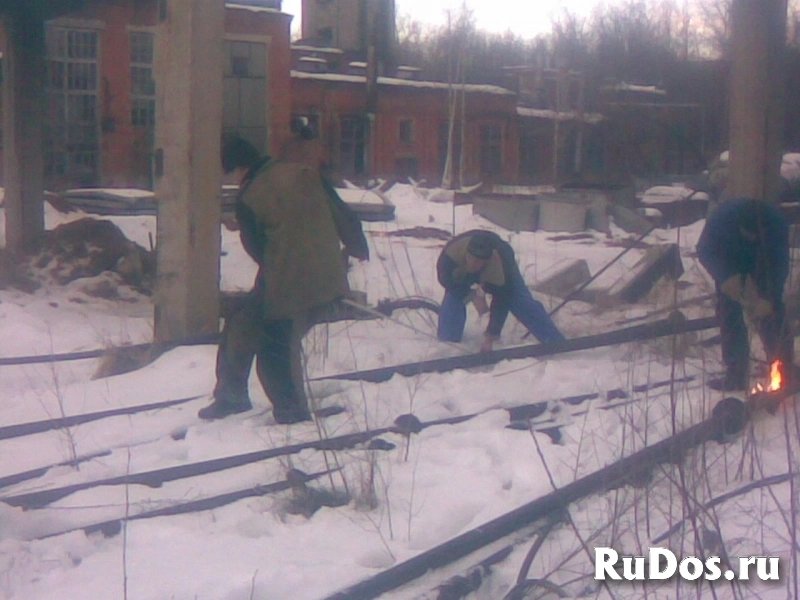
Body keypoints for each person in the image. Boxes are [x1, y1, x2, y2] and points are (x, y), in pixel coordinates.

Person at [198, 136, 368, 423]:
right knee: (242, 325)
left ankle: (293, 414)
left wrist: (280, 270)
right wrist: (356, 248)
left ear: (236, 169)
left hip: (288, 284)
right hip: (325, 277)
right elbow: (345, 216)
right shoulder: (304, 173)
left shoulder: (250, 196)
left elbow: (257, 249)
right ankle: (231, 397)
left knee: (274, 342)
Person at [697, 197, 794, 391]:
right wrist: (725, 277)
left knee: (773, 311)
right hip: (729, 259)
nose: (751, 238)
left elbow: (779, 264)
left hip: (763, 258)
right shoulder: (720, 220)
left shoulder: (776, 224)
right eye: (748, 234)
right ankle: (736, 373)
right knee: (728, 310)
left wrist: (768, 297)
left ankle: (785, 368)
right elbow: (705, 251)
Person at [436, 229, 565, 351]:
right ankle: (448, 344)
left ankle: (555, 343)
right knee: (454, 297)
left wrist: (491, 335)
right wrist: (470, 295)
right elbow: (445, 280)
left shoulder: (502, 264)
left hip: (502, 269)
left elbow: (502, 300)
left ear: (487, 261)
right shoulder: (451, 253)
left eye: (478, 262)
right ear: (466, 253)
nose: (473, 264)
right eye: (471, 259)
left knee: (520, 301)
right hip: (460, 271)